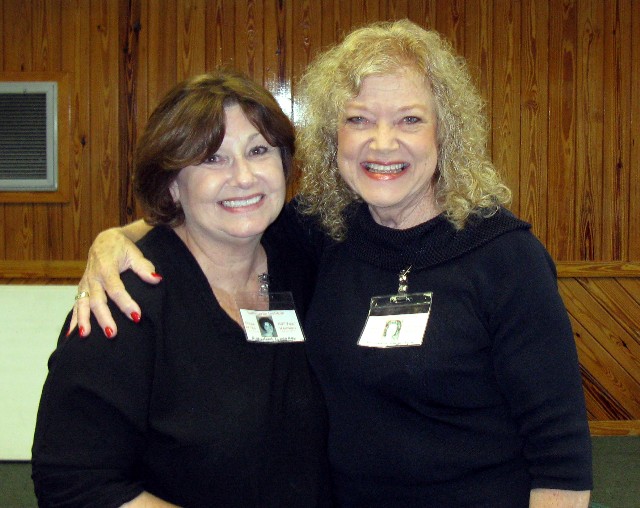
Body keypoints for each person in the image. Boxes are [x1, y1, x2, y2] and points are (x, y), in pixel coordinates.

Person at [69, 20, 592, 507]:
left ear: (445, 134)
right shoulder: (326, 233)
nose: (381, 143)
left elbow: (561, 461)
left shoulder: (505, 257)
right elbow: (223, 213)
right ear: (333, 137)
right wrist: (114, 240)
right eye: (358, 119)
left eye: (409, 120)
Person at [31, 70, 331, 507]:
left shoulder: (301, 251)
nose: (244, 177)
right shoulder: (125, 304)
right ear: (172, 183)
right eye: (213, 159)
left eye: (258, 151)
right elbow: (74, 483)